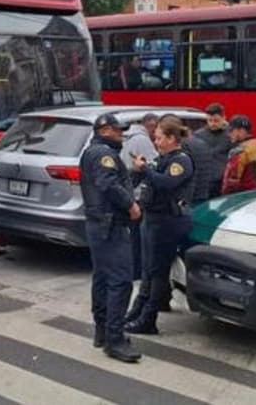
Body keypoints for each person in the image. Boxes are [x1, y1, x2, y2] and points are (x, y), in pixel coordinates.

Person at [79, 113, 143, 363]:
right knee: (120, 281)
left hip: (99, 224)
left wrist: (134, 173)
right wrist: (131, 205)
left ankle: (103, 331)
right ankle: (115, 339)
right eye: (118, 131)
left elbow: (115, 179)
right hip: (110, 224)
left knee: (103, 278)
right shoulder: (103, 153)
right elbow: (108, 184)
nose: (122, 135)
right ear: (105, 130)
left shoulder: (95, 152)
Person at [126, 117, 195, 335]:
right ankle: (138, 310)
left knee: (157, 272)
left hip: (168, 221)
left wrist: (146, 169)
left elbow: (166, 184)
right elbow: (145, 182)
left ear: (172, 138)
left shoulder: (181, 161)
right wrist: (139, 170)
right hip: (152, 218)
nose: (155, 142)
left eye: (158, 138)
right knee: (147, 270)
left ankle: (148, 319)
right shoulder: (161, 158)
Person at [120, 113, 158, 318]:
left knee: (133, 236)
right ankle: (138, 271)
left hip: (127, 194)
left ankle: (134, 269)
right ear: (151, 127)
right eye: (157, 134)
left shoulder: (128, 138)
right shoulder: (143, 141)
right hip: (137, 196)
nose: (157, 139)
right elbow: (154, 166)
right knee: (140, 239)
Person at [221, 115, 256, 196]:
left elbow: (231, 182)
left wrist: (225, 198)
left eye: (231, 131)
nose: (229, 134)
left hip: (242, 197)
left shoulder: (240, 151)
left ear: (241, 131)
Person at [193, 104, 231, 200]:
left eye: (216, 120)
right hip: (204, 181)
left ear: (224, 118)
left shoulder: (230, 135)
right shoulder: (198, 135)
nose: (212, 124)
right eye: (210, 120)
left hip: (223, 182)